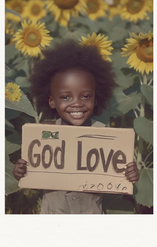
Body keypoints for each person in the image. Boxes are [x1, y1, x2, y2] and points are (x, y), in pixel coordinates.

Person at [13, 38, 139, 214]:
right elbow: (34, 173)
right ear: (51, 101)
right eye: (66, 97)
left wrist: (131, 173)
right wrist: (21, 170)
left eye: (85, 96)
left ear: (96, 99)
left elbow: (119, 174)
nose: (77, 104)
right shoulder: (45, 133)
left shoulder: (105, 136)